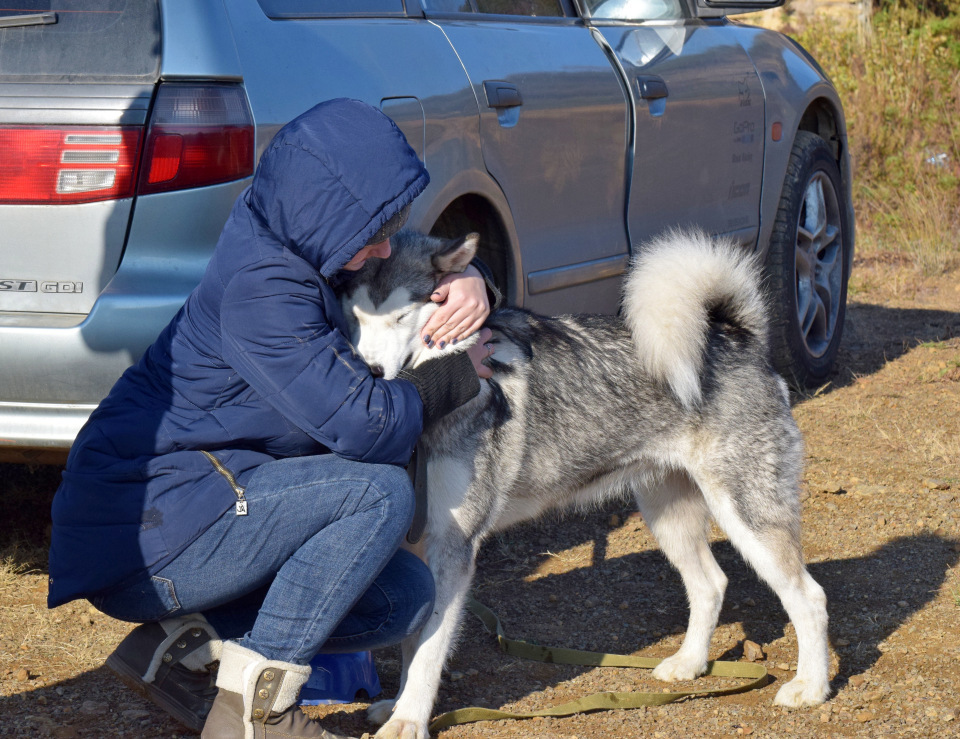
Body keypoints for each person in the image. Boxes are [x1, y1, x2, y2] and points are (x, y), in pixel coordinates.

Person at [47, 99, 498, 739]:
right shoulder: (263, 290)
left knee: (403, 596)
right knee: (376, 493)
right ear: (327, 215)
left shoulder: (303, 249)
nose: (383, 247)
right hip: (145, 527)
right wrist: (450, 378)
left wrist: (474, 277)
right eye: (372, 231)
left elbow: (412, 266)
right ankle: (258, 714)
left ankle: (186, 649)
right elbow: (364, 429)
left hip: (201, 504)